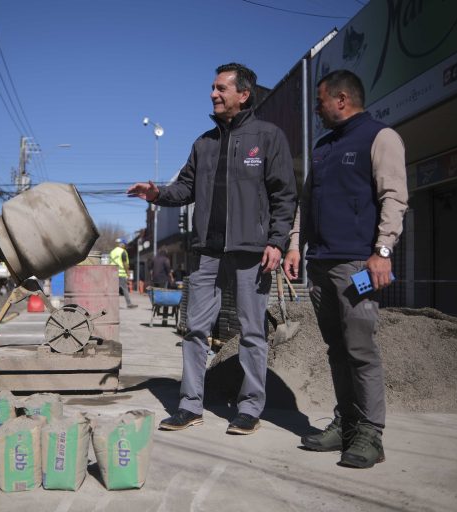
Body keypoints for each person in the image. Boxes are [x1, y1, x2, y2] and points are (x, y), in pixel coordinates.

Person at [128, 63, 296, 434]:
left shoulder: (268, 137)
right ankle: (190, 405)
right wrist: (156, 194)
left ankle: (250, 408)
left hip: (252, 252)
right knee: (194, 329)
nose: (213, 94)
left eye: (221, 88)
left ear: (244, 94)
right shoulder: (204, 144)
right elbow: (184, 189)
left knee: (252, 332)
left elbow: (285, 195)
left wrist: (277, 241)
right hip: (208, 252)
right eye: (213, 87)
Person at [283, 70, 408, 468]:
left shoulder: (380, 137)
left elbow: (394, 197)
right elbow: (306, 203)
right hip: (320, 265)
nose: (317, 110)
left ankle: (371, 433)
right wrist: (295, 246)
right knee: (336, 348)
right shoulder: (322, 148)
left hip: (358, 265)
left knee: (360, 348)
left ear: (341, 99)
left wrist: (383, 251)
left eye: (320, 102)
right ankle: (347, 423)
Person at [109, 238, 137, 309]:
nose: (125, 246)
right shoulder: (123, 252)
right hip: (121, 273)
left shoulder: (112, 252)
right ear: (122, 244)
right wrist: (128, 273)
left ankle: (112, 305)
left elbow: (110, 263)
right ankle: (129, 304)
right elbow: (125, 264)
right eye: (125, 245)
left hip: (112, 273)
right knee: (125, 289)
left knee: (114, 290)